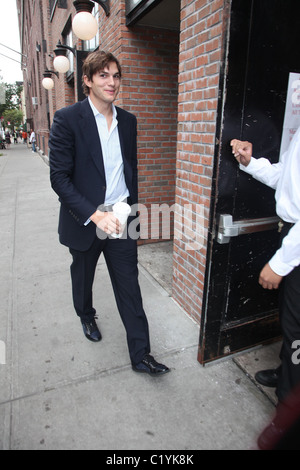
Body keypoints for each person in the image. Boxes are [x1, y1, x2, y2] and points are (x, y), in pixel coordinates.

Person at [49, 50, 170, 377]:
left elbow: (128, 171)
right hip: (86, 220)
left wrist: (132, 213)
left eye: (116, 75)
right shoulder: (68, 119)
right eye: (103, 75)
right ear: (87, 80)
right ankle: (86, 314)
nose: (112, 82)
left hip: (122, 219)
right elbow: (58, 177)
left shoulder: (128, 121)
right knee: (83, 277)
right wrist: (94, 214)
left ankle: (141, 355)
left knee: (130, 286)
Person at [231, 130, 300, 447]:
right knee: (292, 325)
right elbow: (285, 179)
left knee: (298, 331)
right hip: (291, 239)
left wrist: (281, 261)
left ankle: (289, 417)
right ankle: (287, 372)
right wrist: (250, 163)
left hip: (295, 247)